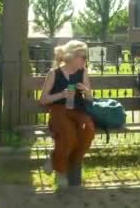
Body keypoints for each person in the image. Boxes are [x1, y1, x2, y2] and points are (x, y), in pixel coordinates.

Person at [39, 40, 95, 187]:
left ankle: (55, 160)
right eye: (83, 57)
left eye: (85, 57)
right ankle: (61, 172)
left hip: (78, 110)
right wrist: (61, 95)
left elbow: (90, 98)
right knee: (68, 135)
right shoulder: (54, 73)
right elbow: (43, 99)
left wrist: (86, 91)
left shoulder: (83, 72)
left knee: (87, 130)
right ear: (72, 56)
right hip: (59, 111)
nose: (85, 60)